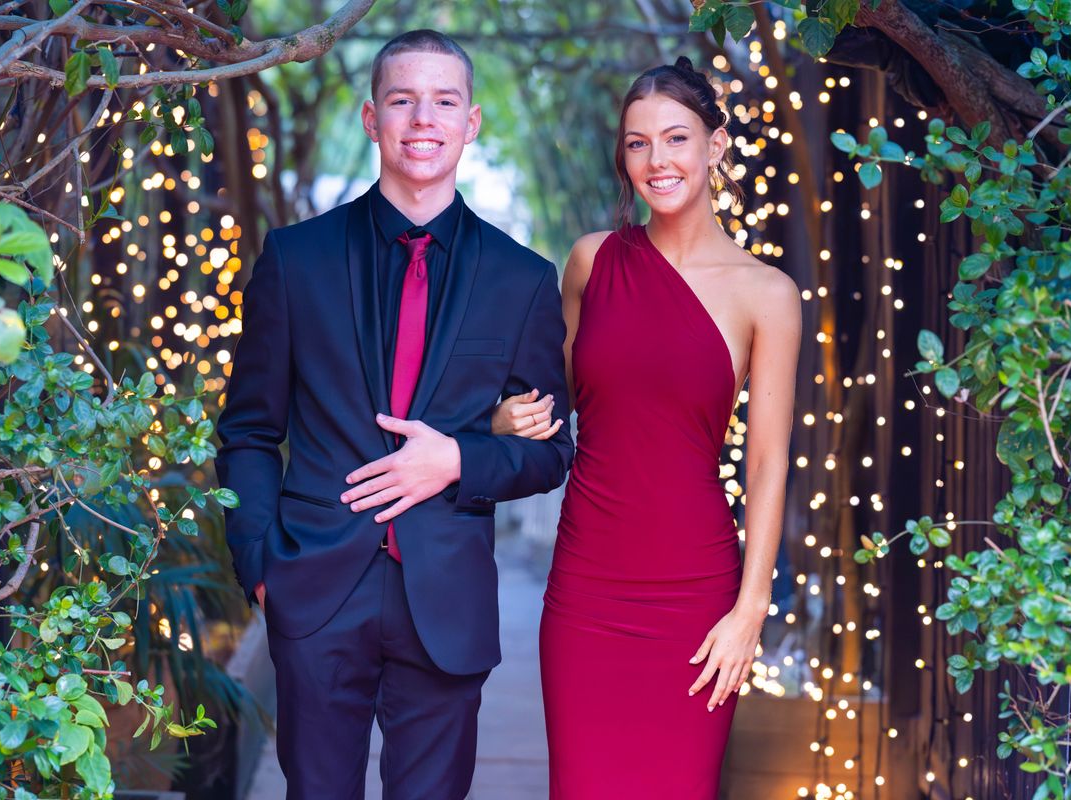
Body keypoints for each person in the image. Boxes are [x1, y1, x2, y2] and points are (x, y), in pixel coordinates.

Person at [215, 29, 573, 800]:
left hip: (445, 594)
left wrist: (458, 459)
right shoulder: (296, 259)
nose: (423, 119)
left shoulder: (521, 279)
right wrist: (261, 566)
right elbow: (248, 430)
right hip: (313, 588)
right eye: (403, 100)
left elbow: (550, 451)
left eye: (444, 101)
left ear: (471, 122)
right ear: (373, 118)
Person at [493, 56, 801, 798]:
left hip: (694, 594)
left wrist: (750, 610)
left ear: (715, 146)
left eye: (676, 138)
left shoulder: (767, 293)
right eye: (638, 143)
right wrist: (500, 416)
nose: (657, 160)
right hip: (586, 588)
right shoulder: (590, 261)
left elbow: (767, 463)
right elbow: (554, 400)